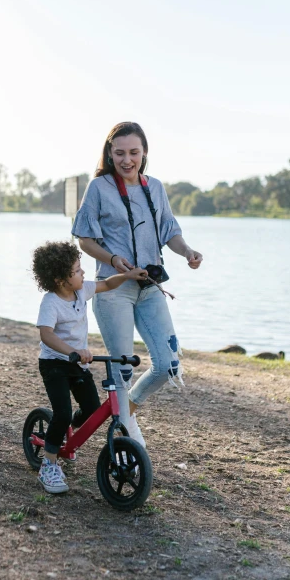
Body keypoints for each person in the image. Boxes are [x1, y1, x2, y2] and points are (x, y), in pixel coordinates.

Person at [72, 121, 203, 447]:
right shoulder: (99, 187)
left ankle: (123, 410)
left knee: (169, 365)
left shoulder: (155, 187)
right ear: (110, 153)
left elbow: (169, 231)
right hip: (113, 288)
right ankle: (129, 440)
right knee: (123, 372)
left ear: (144, 153)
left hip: (150, 287)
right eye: (120, 153)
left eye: (133, 152)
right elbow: (84, 240)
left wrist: (186, 250)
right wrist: (114, 259)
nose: (127, 159)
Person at [32, 240, 147, 494]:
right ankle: (48, 465)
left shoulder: (81, 290)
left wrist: (127, 275)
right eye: (77, 270)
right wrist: (72, 351)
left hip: (77, 364)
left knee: (93, 409)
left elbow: (107, 284)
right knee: (61, 413)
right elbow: (46, 334)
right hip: (54, 364)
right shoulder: (51, 302)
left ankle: (65, 433)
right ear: (61, 279)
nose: (83, 273)